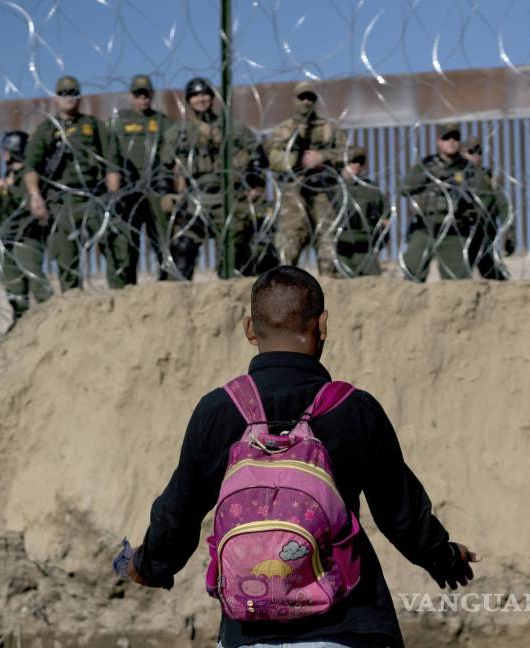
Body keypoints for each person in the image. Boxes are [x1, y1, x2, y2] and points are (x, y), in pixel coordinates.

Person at [125, 266, 480, 648]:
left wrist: (148, 566)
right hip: (347, 625)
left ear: (249, 329)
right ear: (322, 325)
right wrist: (442, 557)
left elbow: (180, 512)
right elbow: (400, 513)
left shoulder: (217, 411)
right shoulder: (354, 410)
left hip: (248, 632)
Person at [160, 77, 272, 280]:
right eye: (195, 95)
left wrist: (255, 185)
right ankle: (178, 302)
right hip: (195, 198)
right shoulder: (178, 133)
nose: (200, 99)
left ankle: (229, 296)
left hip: (229, 198)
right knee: (183, 249)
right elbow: (163, 168)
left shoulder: (233, 129)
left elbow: (258, 158)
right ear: (189, 100)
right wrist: (167, 194)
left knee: (233, 255)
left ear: (212, 98)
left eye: (204, 94)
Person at [23, 75, 122, 290]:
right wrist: (35, 196)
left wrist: (112, 198)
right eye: (64, 94)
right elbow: (31, 166)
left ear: (80, 97)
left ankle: (120, 294)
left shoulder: (94, 125)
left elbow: (111, 162)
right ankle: (72, 303)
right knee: (66, 257)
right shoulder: (46, 130)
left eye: (73, 93)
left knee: (115, 243)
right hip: (62, 201)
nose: (69, 98)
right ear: (56, 98)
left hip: (93, 196)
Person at [266, 81, 348, 276]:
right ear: (295, 100)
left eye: (310, 98)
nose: (306, 102)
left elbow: (346, 154)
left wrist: (323, 157)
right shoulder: (283, 130)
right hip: (293, 194)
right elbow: (272, 157)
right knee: (289, 244)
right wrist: (295, 158)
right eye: (302, 98)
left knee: (327, 245)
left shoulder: (329, 128)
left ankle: (328, 291)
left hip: (323, 191)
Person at [106, 74, 174, 282]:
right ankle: (127, 288)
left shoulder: (163, 122)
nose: (142, 99)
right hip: (128, 190)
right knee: (126, 243)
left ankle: (167, 285)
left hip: (156, 188)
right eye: (138, 95)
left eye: (146, 95)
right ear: (131, 96)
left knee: (163, 240)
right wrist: (113, 190)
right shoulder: (118, 121)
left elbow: (173, 157)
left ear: (151, 95)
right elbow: (110, 155)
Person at [0, 130, 53, 327]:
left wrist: (9, 188)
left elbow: (25, 206)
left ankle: (53, 320)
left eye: (6, 150)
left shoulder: (28, 176)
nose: (3, 154)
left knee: (36, 282)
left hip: (27, 237)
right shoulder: (8, 176)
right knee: (14, 289)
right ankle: (21, 324)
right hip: (6, 241)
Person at [400, 123, 474, 282]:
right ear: (439, 142)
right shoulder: (425, 165)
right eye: (446, 138)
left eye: (456, 138)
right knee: (412, 274)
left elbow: (483, 195)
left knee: (458, 281)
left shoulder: (467, 167)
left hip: (454, 229)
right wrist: (429, 175)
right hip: (425, 227)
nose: (451, 141)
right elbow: (405, 189)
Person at [460, 136, 514, 281]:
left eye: (479, 151)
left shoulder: (488, 176)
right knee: (462, 271)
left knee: (487, 269)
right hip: (463, 232)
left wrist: (508, 232)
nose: (476, 155)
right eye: (471, 152)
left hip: (485, 231)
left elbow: (503, 205)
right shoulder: (455, 176)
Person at [333, 147, 390, 277]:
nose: (356, 165)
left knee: (374, 284)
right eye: (352, 161)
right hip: (339, 247)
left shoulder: (371, 189)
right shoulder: (333, 188)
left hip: (365, 246)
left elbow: (386, 214)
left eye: (360, 162)